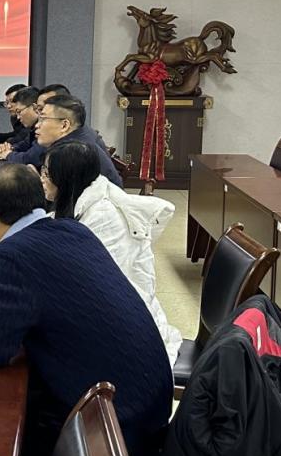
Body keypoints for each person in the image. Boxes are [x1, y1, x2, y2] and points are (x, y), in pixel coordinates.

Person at [0, 163, 172, 456]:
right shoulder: (71, 229)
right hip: (146, 407)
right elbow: (30, 290)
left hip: (112, 435)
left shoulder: (13, 256)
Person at [41, 141, 181, 369]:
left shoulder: (104, 217)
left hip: (124, 326)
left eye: (47, 173)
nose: (42, 178)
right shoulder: (81, 201)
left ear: (65, 177)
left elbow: (96, 287)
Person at [8, 95, 123, 185]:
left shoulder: (72, 152)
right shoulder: (74, 138)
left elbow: (59, 201)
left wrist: (36, 182)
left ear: (64, 125)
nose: (37, 125)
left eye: (43, 119)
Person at [0, 86, 40, 156]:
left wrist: (8, 153)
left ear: (35, 107)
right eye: (7, 102)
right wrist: (11, 148)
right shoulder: (28, 123)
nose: (9, 106)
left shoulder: (44, 127)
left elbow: (31, 156)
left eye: (19, 112)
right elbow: (24, 143)